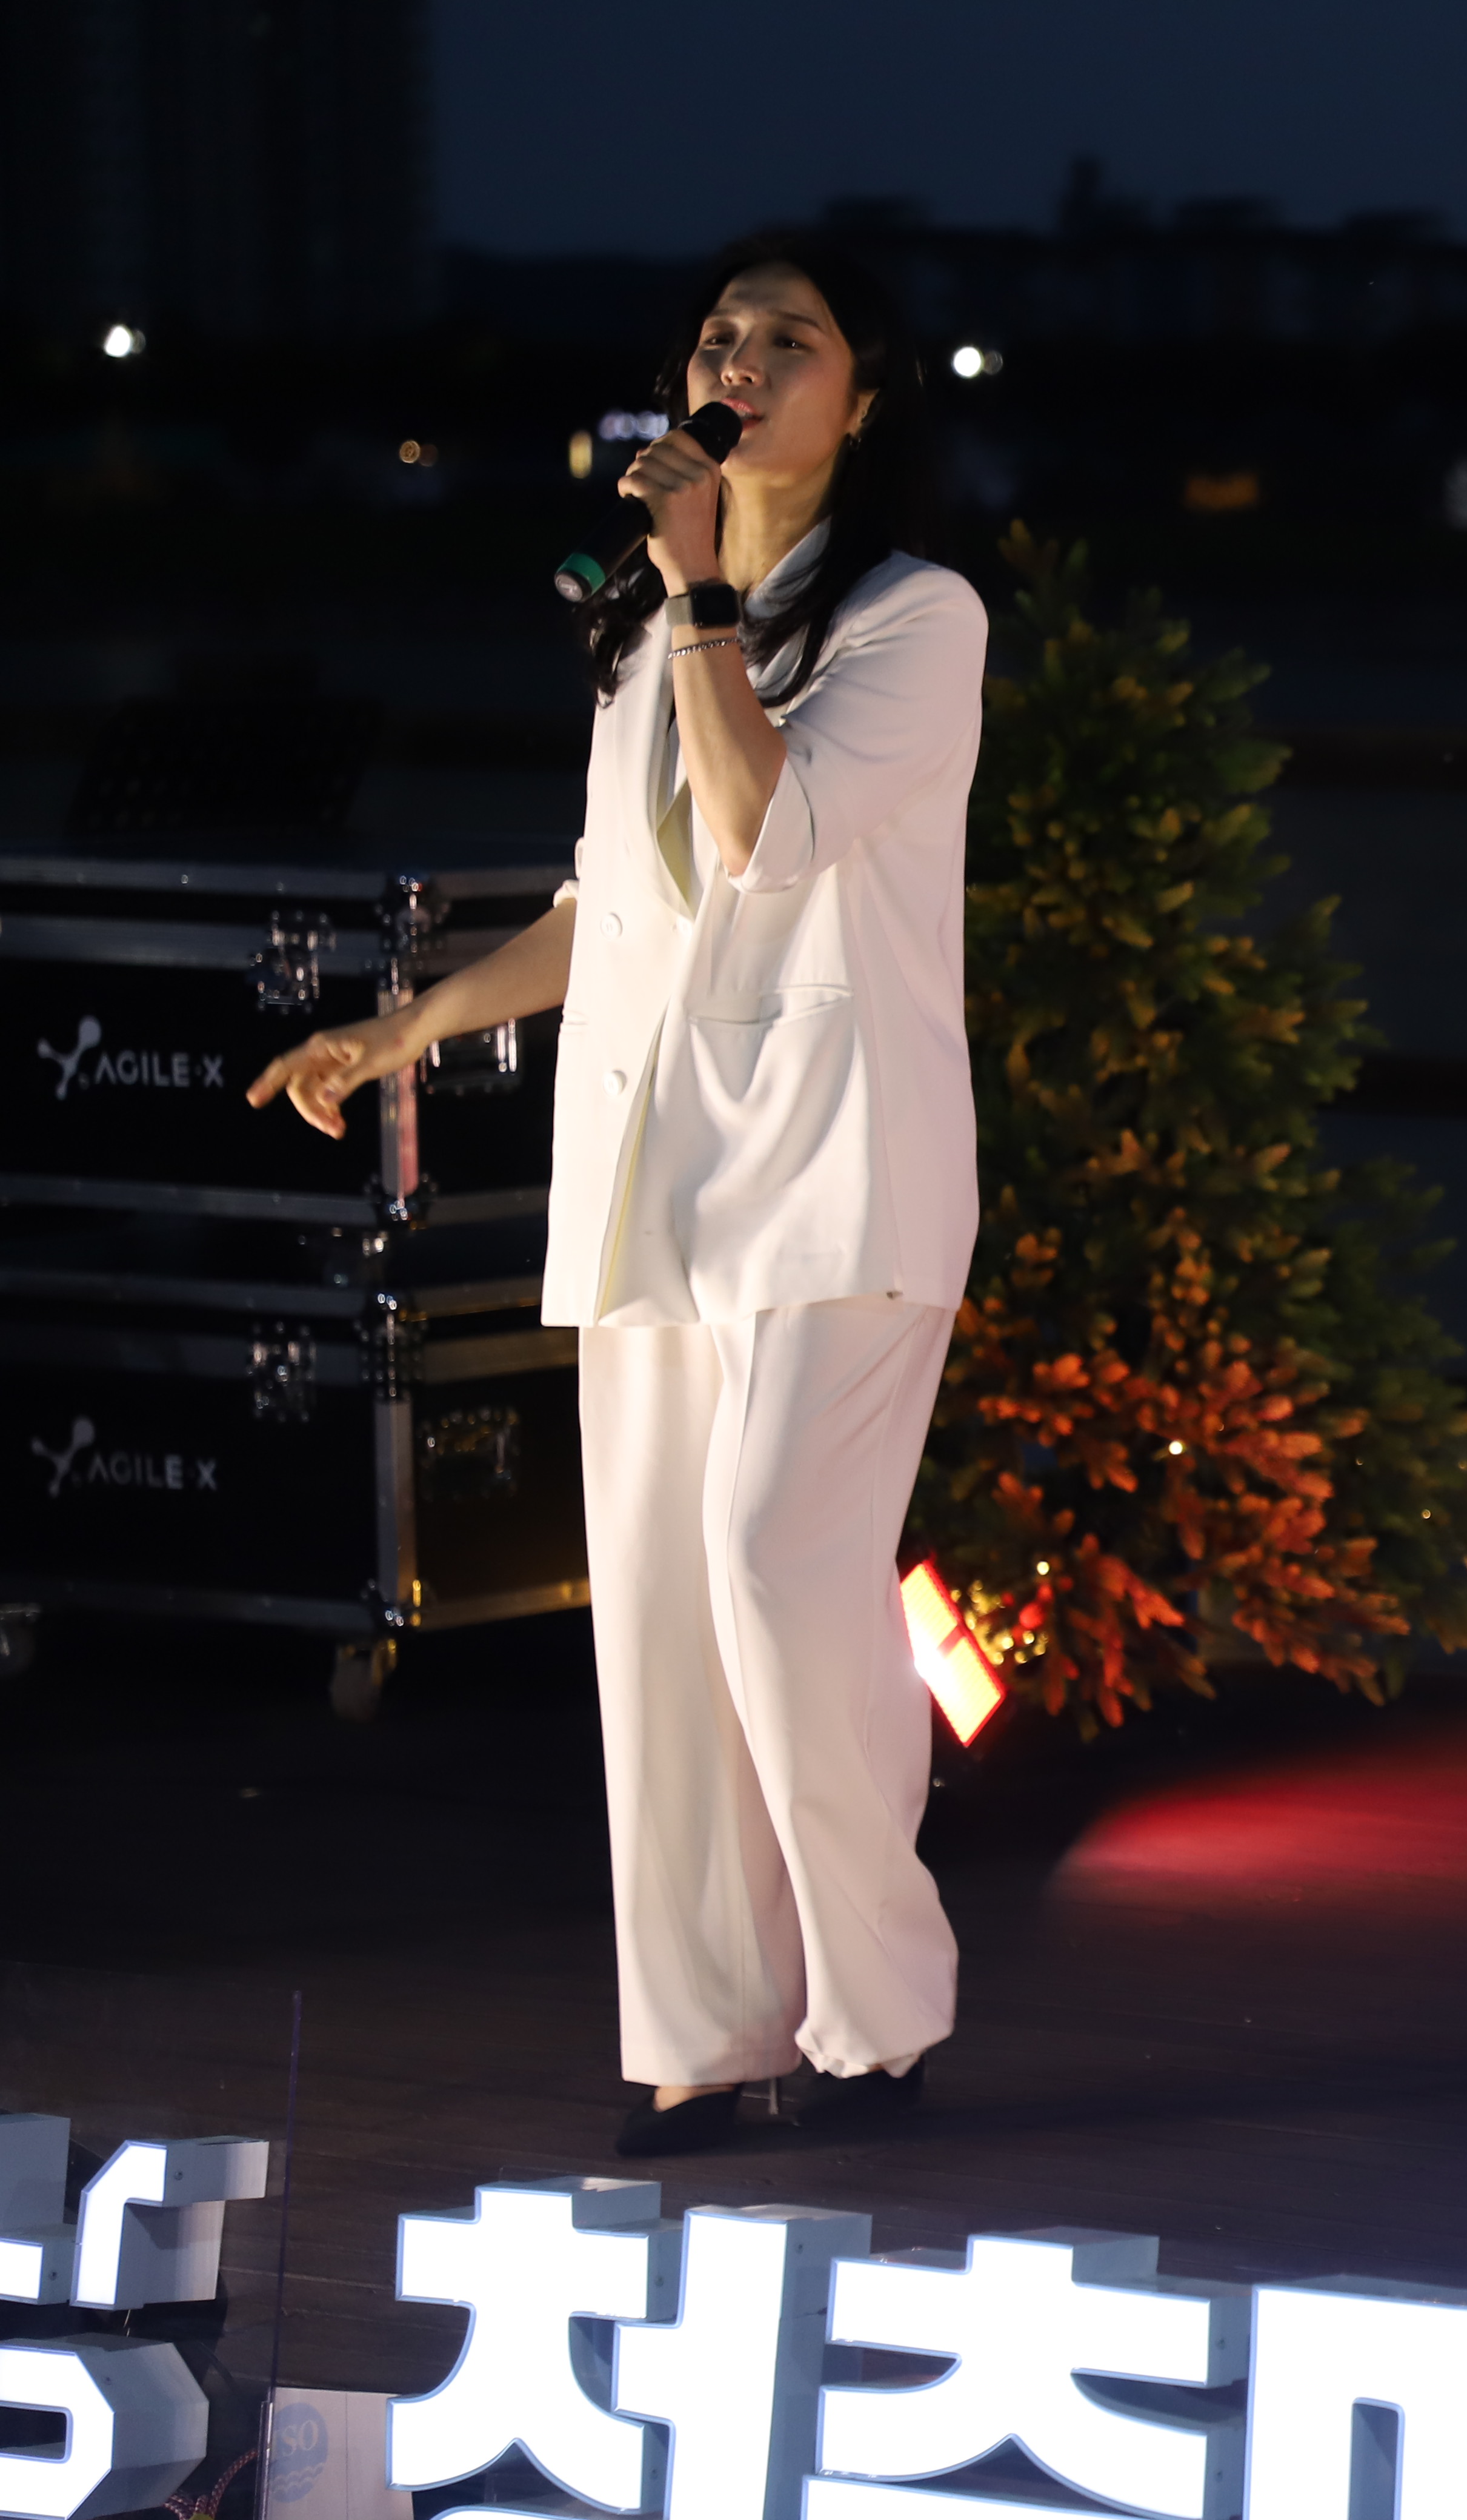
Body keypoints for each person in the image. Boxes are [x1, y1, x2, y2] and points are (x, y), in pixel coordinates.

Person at [249, 235, 986, 2158]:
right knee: (659, 1618)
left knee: (777, 1568)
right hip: (660, 1175)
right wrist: (403, 1027)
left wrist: (701, 590)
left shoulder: (915, 615)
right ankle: (702, 2031)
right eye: (720, 335)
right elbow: (615, 905)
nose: (741, 360)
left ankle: (881, 2005)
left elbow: (767, 831)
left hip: (840, 1167)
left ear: (864, 399)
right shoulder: (655, 634)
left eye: (790, 340)